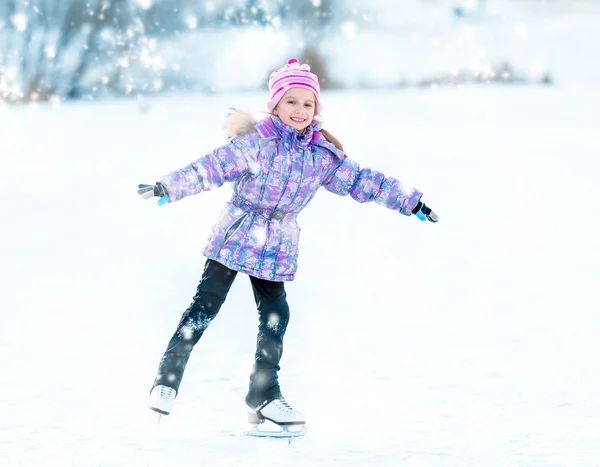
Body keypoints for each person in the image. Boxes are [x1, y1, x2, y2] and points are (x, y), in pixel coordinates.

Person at [138, 58, 438, 432]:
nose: (300, 111)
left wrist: (410, 201)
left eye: (308, 104)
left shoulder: (321, 156)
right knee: (205, 307)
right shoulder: (256, 143)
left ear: (316, 110)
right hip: (236, 235)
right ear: (276, 105)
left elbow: (364, 180)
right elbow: (210, 167)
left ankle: (263, 396)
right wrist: (168, 186)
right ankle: (166, 382)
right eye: (291, 102)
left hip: (276, 244)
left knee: (275, 317)